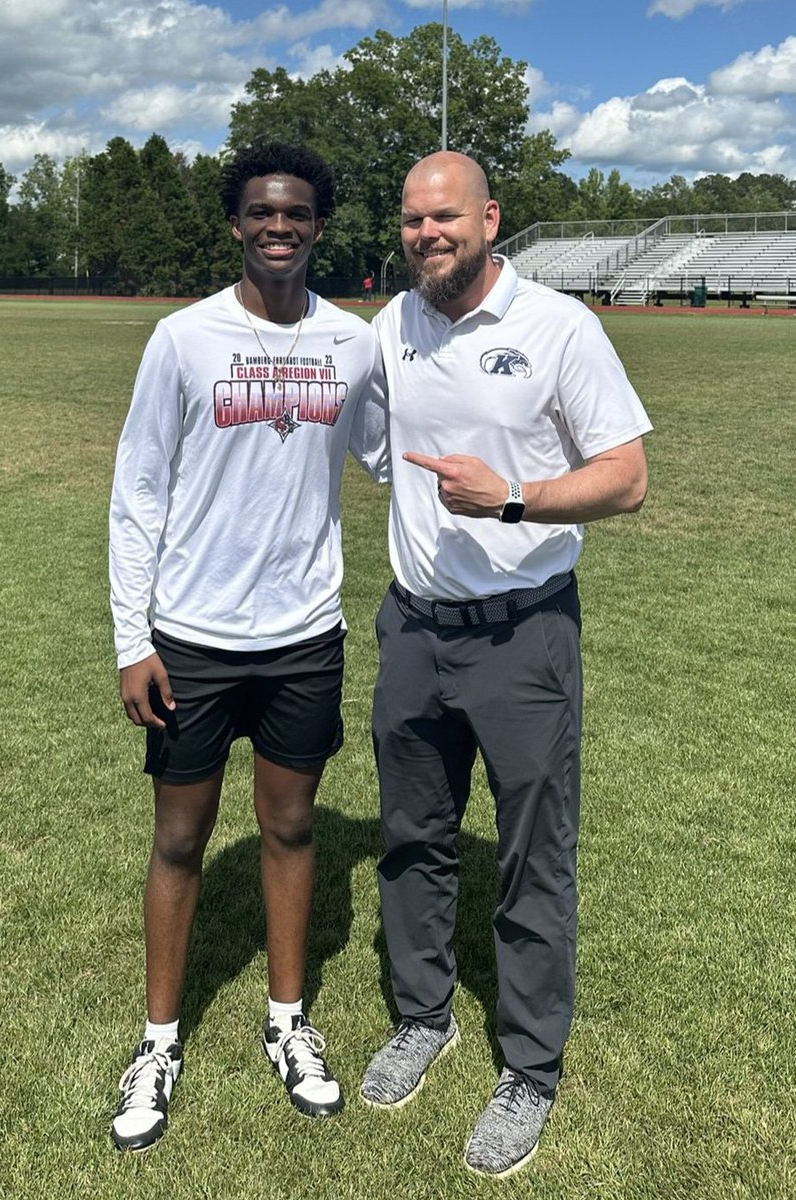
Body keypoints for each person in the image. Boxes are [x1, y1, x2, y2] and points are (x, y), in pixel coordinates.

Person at [359, 151, 651, 1178]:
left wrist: (513, 498)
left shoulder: (557, 327)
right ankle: (421, 1017)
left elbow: (624, 478)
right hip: (412, 629)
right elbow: (363, 442)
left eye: (441, 217)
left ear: (488, 219)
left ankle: (527, 1065)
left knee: (532, 851)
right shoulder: (388, 329)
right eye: (408, 220)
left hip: (523, 635)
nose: (423, 234)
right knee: (411, 836)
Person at [107, 142, 387, 1152]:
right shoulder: (181, 340)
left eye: (298, 213)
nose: (280, 226)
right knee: (179, 838)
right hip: (191, 641)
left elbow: (387, 452)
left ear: (318, 225)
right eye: (262, 212)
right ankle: (157, 1041)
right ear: (235, 223)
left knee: (291, 828)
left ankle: (285, 1024)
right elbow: (136, 493)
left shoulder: (350, 344)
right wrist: (131, 639)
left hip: (304, 638)